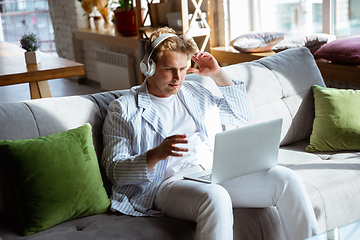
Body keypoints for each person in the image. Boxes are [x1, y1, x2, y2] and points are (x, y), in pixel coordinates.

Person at [102, 27, 320, 240]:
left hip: (213, 173)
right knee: (216, 197)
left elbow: (241, 115)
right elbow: (115, 171)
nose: (178, 77)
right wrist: (156, 154)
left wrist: (218, 74)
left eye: (183, 68)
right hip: (167, 184)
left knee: (286, 178)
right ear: (148, 67)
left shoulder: (195, 92)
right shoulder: (123, 109)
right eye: (169, 69)